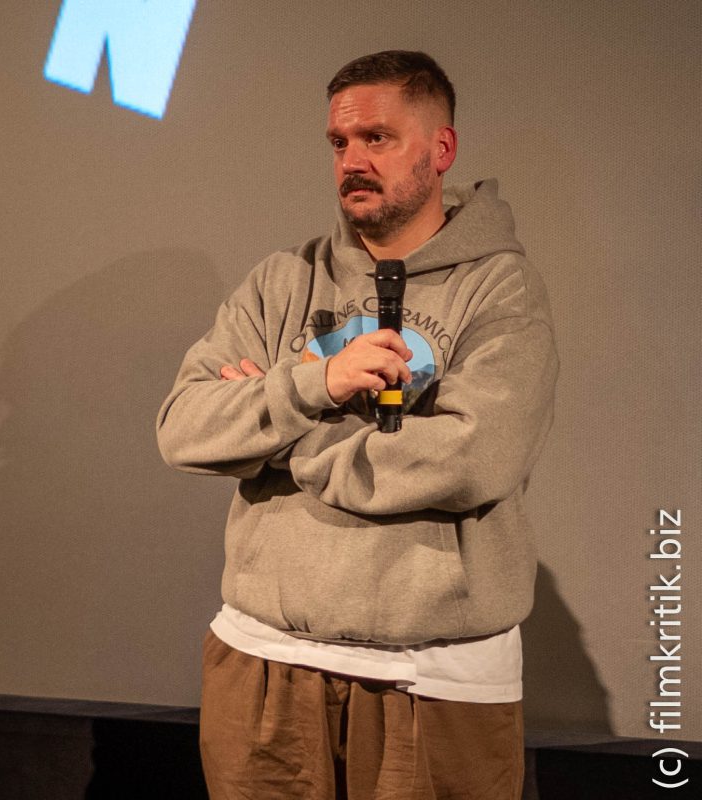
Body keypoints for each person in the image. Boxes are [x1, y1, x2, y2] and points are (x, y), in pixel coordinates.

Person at [157, 51, 557, 799]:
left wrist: (290, 437)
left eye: (378, 138)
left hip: (433, 677)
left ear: (441, 149)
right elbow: (184, 427)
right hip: (263, 662)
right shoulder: (281, 280)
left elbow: (472, 459)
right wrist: (317, 382)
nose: (352, 161)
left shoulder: (501, 289)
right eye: (340, 142)